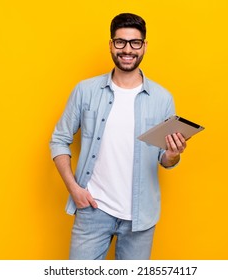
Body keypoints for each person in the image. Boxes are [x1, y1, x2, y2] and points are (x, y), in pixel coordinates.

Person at [50, 13, 187, 260]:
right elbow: (59, 139)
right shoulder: (86, 91)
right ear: (111, 45)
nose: (127, 49)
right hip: (92, 210)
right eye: (120, 42)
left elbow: (165, 161)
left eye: (135, 43)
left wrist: (172, 154)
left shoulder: (162, 98)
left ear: (144, 46)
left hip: (140, 217)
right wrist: (74, 188)